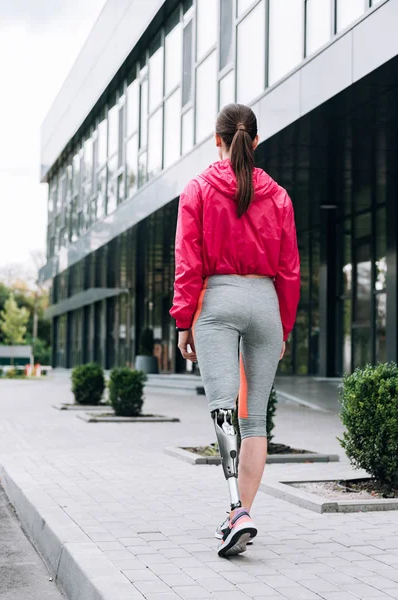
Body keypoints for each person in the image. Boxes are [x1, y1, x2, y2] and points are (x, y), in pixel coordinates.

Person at [170, 103, 300, 557]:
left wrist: (183, 319)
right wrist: (282, 326)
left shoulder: (199, 190)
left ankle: (234, 510)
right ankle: (238, 513)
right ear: (257, 142)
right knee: (254, 419)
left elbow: (189, 261)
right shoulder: (279, 196)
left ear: (217, 139)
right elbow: (289, 270)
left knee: (224, 410)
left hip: (218, 302)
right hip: (265, 303)